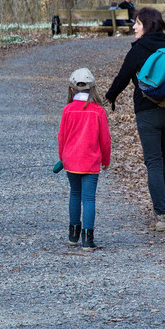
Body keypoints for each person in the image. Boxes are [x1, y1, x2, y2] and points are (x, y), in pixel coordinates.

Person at [105, 7, 165, 231]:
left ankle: (161, 216)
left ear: (147, 25)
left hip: (147, 112)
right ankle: (163, 209)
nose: (134, 27)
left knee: (154, 162)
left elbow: (122, 77)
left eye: (137, 23)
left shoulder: (139, 49)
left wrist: (109, 97)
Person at [57, 67, 111, 250]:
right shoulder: (98, 111)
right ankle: (88, 239)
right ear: (92, 89)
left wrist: (62, 157)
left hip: (71, 161)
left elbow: (62, 137)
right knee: (89, 199)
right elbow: (105, 139)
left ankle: (73, 235)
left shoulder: (68, 110)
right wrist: (106, 159)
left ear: (72, 89)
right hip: (90, 161)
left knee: (74, 194)